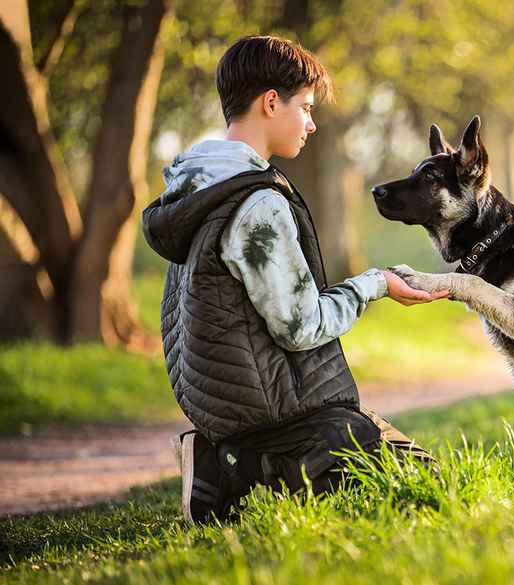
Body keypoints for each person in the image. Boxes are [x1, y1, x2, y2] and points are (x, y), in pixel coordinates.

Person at [142, 35, 445, 524]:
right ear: (269, 103)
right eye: (304, 107)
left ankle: (226, 461)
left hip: (229, 405)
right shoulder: (255, 203)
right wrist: (377, 284)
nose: (311, 122)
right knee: (423, 481)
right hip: (276, 411)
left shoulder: (197, 185)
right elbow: (300, 327)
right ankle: (233, 467)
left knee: (381, 457)